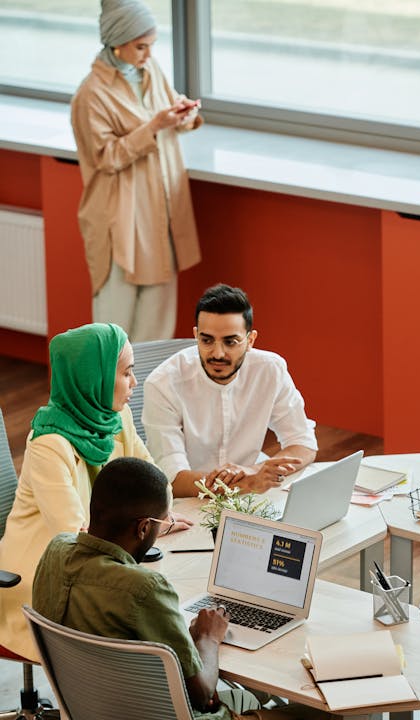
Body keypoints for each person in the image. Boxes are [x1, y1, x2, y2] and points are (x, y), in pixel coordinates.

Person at [32, 457, 342, 720]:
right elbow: (203, 696)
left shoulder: (55, 553)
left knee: (251, 697)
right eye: (161, 525)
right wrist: (207, 636)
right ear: (142, 528)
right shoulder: (144, 589)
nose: (158, 531)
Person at [0, 322, 191, 662]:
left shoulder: (117, 418)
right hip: (43, 572)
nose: (134, 383)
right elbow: (74, 538)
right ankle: (95, 700)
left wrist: (154, 516)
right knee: (139, 613)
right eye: (126, 374)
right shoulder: (48, 444)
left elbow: (157, 483)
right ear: (95, 378)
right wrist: (153, 521)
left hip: (106, 556)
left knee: (164, 593)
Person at [71, 0, 202, 342]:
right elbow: (107, 157)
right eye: (140, 46)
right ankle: (107, 396)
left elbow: (166, 113)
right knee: (115, 327)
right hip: (120, 218)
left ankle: (145, 395)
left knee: (157, 322)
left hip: (159, 211)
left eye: (151, 45)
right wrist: (154, 126)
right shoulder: (91, 95)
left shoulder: (151, 71)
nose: (148, 54)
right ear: (116, 42)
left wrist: (182, 114)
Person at [143, 283, 318, 498]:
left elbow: (303, 444)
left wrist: (252, 472)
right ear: (196, 335)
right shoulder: (162, 383)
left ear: (250, 340)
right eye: (207, 340)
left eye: (230, 342)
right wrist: (248, 482)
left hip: (250, 496)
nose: (218, 353)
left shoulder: (270, 370)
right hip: (190, 500)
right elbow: (173, 479)